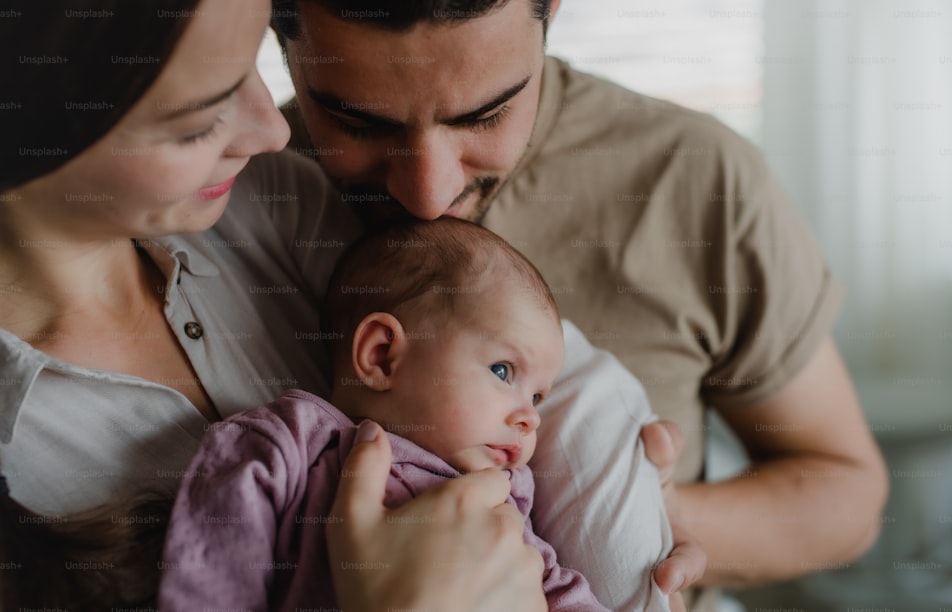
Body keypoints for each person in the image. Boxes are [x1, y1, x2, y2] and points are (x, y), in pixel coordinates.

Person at [0, 1, 573, 610]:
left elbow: (527, 346)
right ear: (22, 115)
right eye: (198, 118)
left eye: (253, 65)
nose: (274, 130)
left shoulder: (272, 201)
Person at [272, 0, 891, 608]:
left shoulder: (695, 178)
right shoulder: (227, 195)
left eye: (486, 115)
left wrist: (649, 516)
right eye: (359, 124)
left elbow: (847, 492)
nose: (430, 194)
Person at [159, 217, 673, 611]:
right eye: (501, 371)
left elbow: (556, 585)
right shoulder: (290, 443)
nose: (529, 418)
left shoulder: (502, 495)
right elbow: (211, 568)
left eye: (539, 397)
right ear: (383, 355)